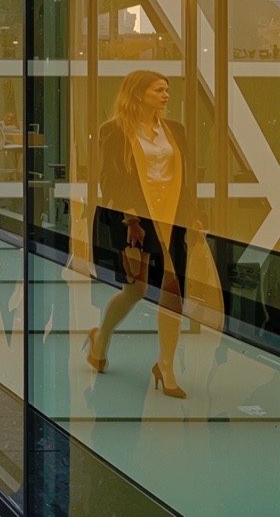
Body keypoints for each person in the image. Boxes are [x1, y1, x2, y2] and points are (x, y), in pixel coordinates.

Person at [86, 70, 199, 398]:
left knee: (174, 291)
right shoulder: (114, 131)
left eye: (166, 90)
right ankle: (101, 336)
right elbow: (110, 180)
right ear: (138, 94)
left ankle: (166, 366)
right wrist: (130, 220)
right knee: (136, 290)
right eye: (158, 90)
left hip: (172, 218)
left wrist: (194, 218)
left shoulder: (174, 130)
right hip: (134, 220)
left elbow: (184, 178)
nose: (165, 95)